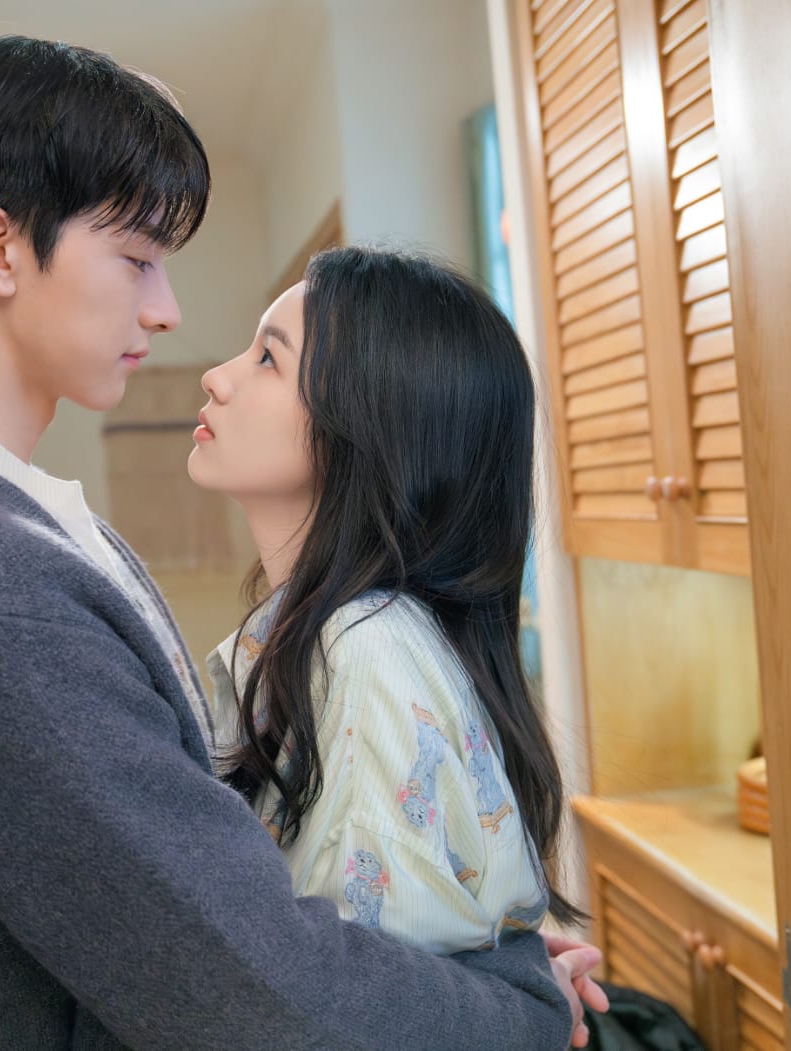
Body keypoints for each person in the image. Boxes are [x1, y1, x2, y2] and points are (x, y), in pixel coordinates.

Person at [0, 35, 604, 1049]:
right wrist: (512, 1005)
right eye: (137, 261)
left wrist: (456, 964)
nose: (168, 313)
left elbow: (211, 898)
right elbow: (254, 992)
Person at [190, 244, 584, 971]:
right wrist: (513, 979)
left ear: (368, 427)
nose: (217, 377)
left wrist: (517, 988)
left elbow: (366, 998)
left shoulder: (362, 648)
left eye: (268, 359)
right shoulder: (333, 634)